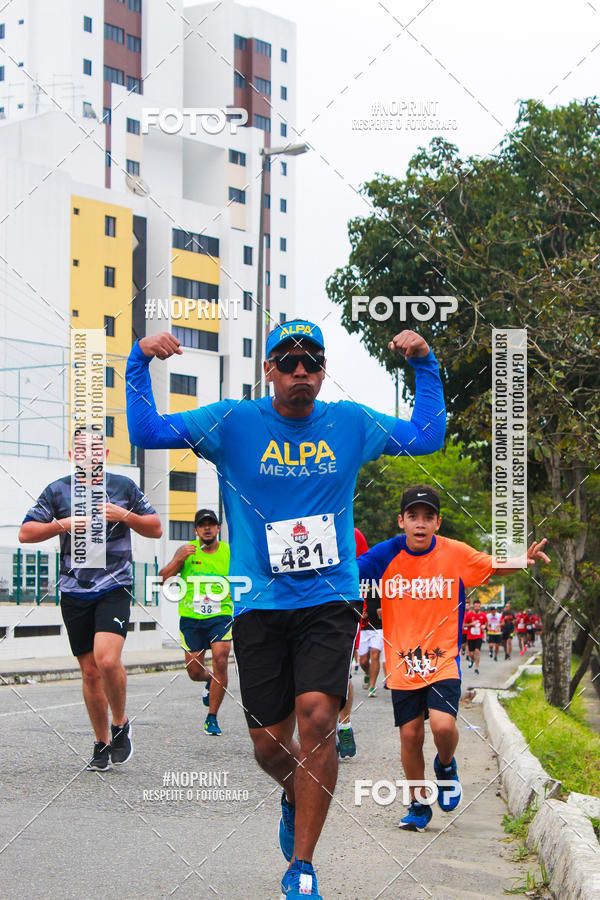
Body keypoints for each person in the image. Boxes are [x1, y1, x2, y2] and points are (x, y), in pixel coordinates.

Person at [126, 322, 445, 899]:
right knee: (269, 746)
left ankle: (302, 866)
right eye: (289, 361)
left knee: (319, 718)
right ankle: (296, 791)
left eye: (312, 362)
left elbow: (427, 435)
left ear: (323, 371)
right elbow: (145, 430)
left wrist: (425, 363)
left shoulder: (349, 423)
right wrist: (138, 359)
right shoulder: (232, 422)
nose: (302, 371)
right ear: (269, 369)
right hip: (258, 602)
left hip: (329, 597)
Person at [357, 484, 549, 831]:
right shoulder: (384, 555)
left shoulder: (454, 553)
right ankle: (418, 804)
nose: (420, 523)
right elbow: (351, 575)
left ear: (437, 523)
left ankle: (445, 766)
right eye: (413, 516)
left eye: (427, 517)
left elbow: (492, 566)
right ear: (401, 521)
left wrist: (524, 560)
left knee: (443, 726)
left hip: (443, 657)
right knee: (411, 735)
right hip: (402, 662)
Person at [18, 427, 162, 770]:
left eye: (95, 449)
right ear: (72, 456)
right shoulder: (57, 490)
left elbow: (155, 527)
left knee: (107, 660)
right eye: (81, 449)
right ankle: (101, 742)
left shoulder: (123, 487)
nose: (89, 455)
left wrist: (124, 515)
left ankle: (120, 722)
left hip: (114, 586)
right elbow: (26, 533)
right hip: (74, 589)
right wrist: (62, 524)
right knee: (89, 673)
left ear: (106, 455)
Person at [158, 508, 231, 736]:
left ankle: (212, 717)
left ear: (218, 528)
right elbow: (162, 579)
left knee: (221, 660)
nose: (207, 528)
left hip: (221, 615)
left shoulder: (229, 551)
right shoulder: (186, 551)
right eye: (202, 525)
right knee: (194, 672)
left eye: (211, 524)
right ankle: (209, 680)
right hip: (192, 618)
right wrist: (178, 559)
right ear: (196, 530)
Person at [337, 527, 369, 760]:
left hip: (344, 611)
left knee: (342, 673)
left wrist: (363, 606)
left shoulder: (354, 534)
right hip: (306, 609)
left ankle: (344, 725)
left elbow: (365, 573)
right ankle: (322, 732)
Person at [464, 599, 487, 674]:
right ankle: (472, 660)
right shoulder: (469, 615)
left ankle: (476, 668)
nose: (477, 608)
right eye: (476, 606)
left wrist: (484, 626)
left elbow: (486, 623)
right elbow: (464, 625)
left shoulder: (483, 615)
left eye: (479, 606)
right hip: (470, 636)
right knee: (471, 654)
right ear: (473, 606)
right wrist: (471, 624)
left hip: (479, 636)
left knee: (477, 651)